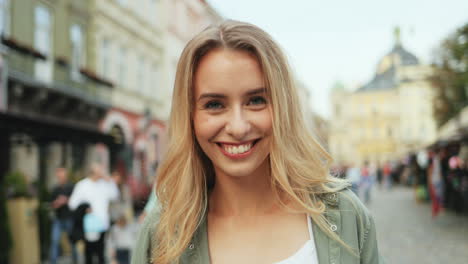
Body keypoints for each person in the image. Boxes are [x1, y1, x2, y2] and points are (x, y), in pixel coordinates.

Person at [132, 20, 384, 264]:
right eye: (215, 105)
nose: (239, 127)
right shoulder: (162, 234)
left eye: (256, 100)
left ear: (282, 107)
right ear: (190, 116)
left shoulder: (344, 215)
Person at [69, 162, 119, 264]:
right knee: (89, 253)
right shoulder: (82, 185)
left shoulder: (105, 184)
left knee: (101, 254)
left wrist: (110, 180)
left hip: (102, 225)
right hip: (88, 225)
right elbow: (72, 204)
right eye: (99, 171)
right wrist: (84, 209)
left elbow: (115, 195)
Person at [49, 167, 77, 264]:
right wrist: (57, 202)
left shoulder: (72, 187)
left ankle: (75, 260)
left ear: (66, 176)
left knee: (73, 242)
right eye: (59, 176)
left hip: (69, 218)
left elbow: (76, 202)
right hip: (58, 219)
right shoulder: (55, 189)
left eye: (62, 175)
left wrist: (66, 200)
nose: (60, 177)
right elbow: (52, 205)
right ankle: (53, 262)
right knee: (54, 241)